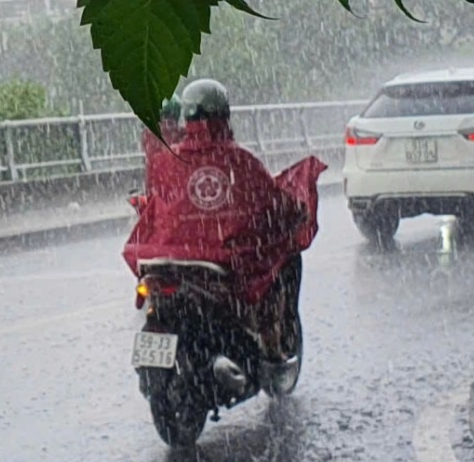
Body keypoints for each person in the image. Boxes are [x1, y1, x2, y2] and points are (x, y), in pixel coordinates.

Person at [122, 80, 324, 358]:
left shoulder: (166, 161)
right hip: (224, 259)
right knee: (279, 262)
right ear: (224, 114)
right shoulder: (241, 160)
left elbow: (159, 207)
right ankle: (271, 340)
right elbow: (270, 201)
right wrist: (294, 209)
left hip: (170, 255)